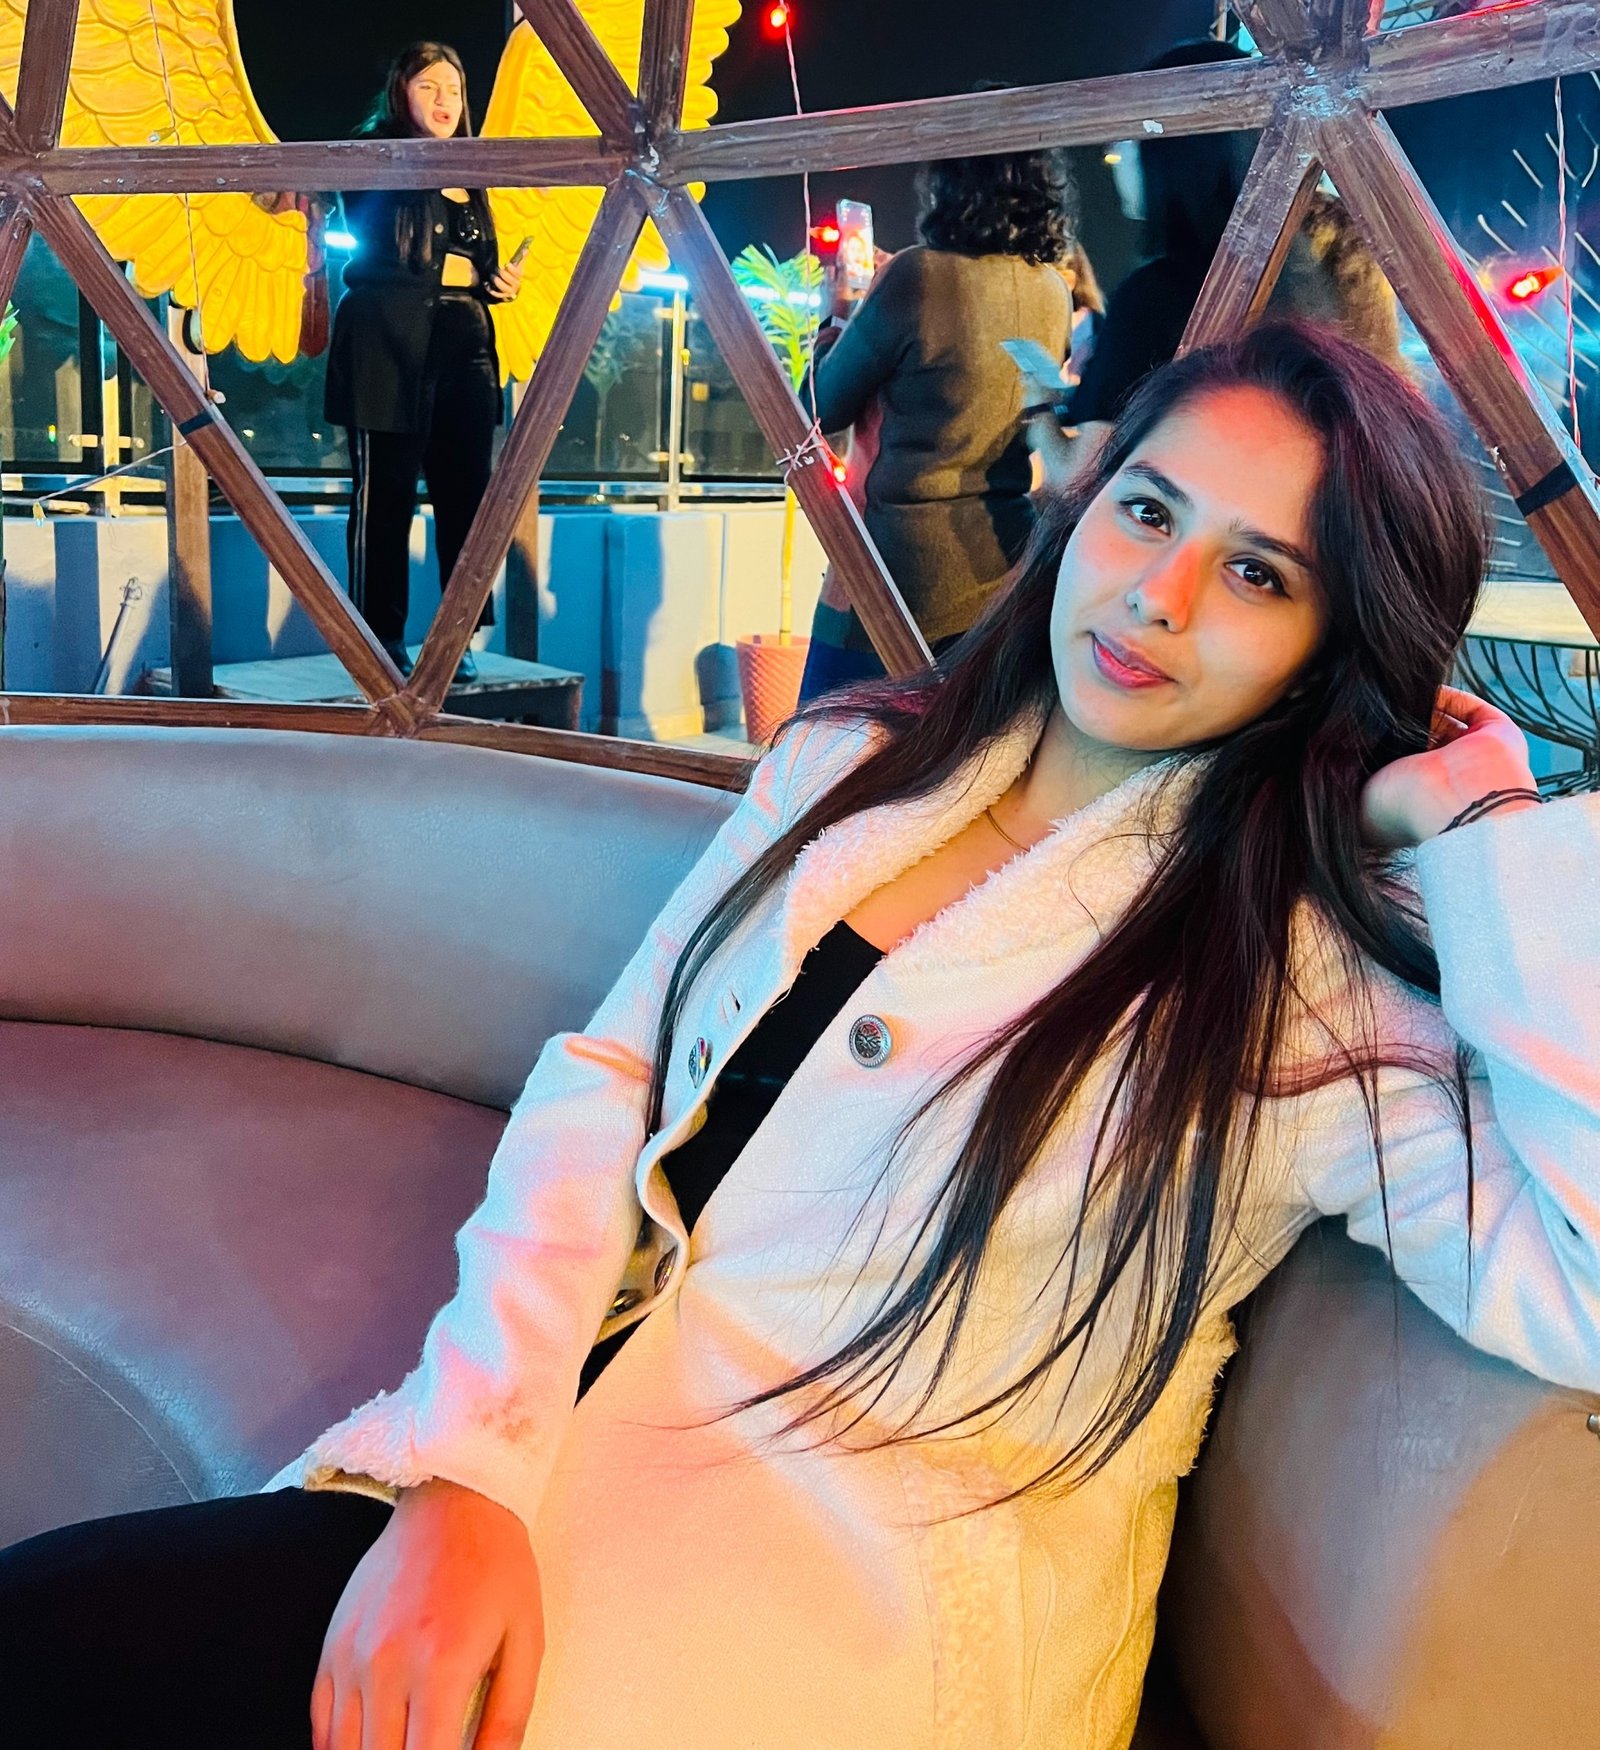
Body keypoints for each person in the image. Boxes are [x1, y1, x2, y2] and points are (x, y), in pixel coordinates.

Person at [5, 322, 1600, 1750]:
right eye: (1148, 509)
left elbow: (1582, 1280)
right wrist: (467, 1467)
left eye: (1260, 576)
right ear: (1082, 500)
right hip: (560, 1451)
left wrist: (1488, 839)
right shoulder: (856, 765)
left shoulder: (1297, 990)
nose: (1158, 596)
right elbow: (611, 1076)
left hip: (845, 1632)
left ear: (1333, 650)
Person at [1025, 38, 1399, 490]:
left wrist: (1037, 409)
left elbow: (1077, 479)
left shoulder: (1155, 298)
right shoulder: (1325, 270)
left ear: (1177, 149)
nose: (1119, 155)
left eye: (1133, 135)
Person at [797, 138, 1075, 701]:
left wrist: (837, 315)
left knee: (822, 744)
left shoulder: (917, 275)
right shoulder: (1053, 290)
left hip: (895, 578)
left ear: (949, 179)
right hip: (1004, 568)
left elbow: (821, 408)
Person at [325, 42, 525, 684]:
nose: (445, 102)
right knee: (385, 499)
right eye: (429, 87)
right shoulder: (373, 154)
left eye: (455, 90)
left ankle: (455, 637)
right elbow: (376, 227)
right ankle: (378, 638)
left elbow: (472, 260)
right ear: (400, 92)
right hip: (387, 340)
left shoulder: (473, 170)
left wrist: (496, 280)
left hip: (465, 341)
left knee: (467, 499)